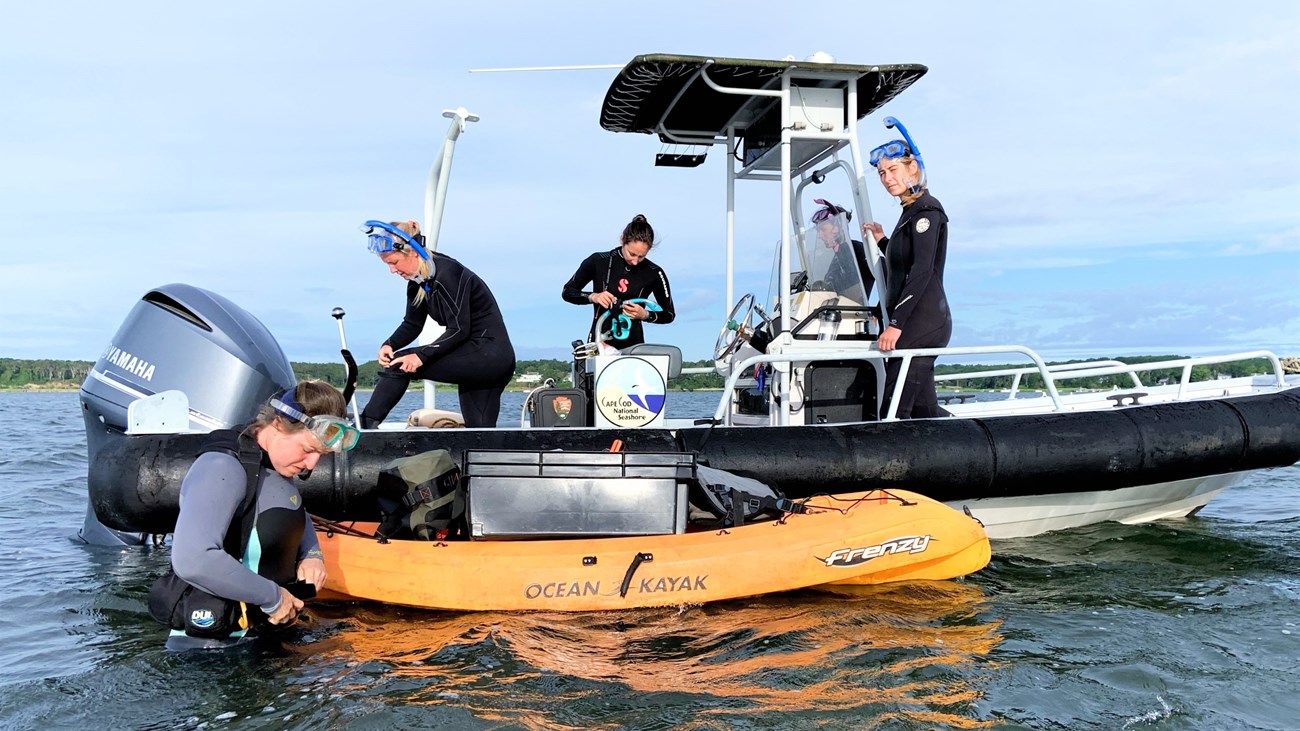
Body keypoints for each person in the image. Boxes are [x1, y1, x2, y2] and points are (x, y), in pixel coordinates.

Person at [166, 380, 358, 651]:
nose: (311, 465)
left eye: (321, 455)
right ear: (279, 424)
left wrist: (312, 554)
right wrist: (273, 598)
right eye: (308, 450)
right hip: (215, 649)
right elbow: (193, 559)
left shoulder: (273, 466)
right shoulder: (222, 468)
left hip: (269, 632)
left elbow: (291, 512)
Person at [360, 220, 516, 429]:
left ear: (412, 252)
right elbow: (412, 324)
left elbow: (460, 329)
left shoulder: (448, 273)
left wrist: (421, 355)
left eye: (394, 262)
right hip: (475, 358)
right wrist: (389, 344)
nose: (392, 270)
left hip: (489, 355)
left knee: (399, 364)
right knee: (480, 433)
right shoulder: (418, 282)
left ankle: (364, 427)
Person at [860, 118, 952, 419]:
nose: (887, 178)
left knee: (894, 409)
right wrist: (882, 239)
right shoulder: (909, 212)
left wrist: (896, 324)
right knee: (924, 409)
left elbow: (922, 270)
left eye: (893, 170)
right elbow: (903, 259)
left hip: (922, 322)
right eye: (882, 173)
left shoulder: (927, 210)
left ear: (913, 168)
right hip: (915, 322)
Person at [562, 214, 676, 349]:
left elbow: (669, 314)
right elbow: (568, 292)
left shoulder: (654, 272)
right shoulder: (598, 261)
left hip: (634, 345)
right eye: (632, 254)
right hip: (600, 341)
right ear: (622, 239)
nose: (635, 261)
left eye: (641, 257)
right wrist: (594, 297)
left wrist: (645, 315)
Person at [809, 198, 872, 301]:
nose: (819, 236)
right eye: (818, 231)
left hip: (857, 314)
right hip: (836, 313)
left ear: (837, 228)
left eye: (823, 230)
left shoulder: (857, 250)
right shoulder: (834, 258)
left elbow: (887, 272)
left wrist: (880, 311)